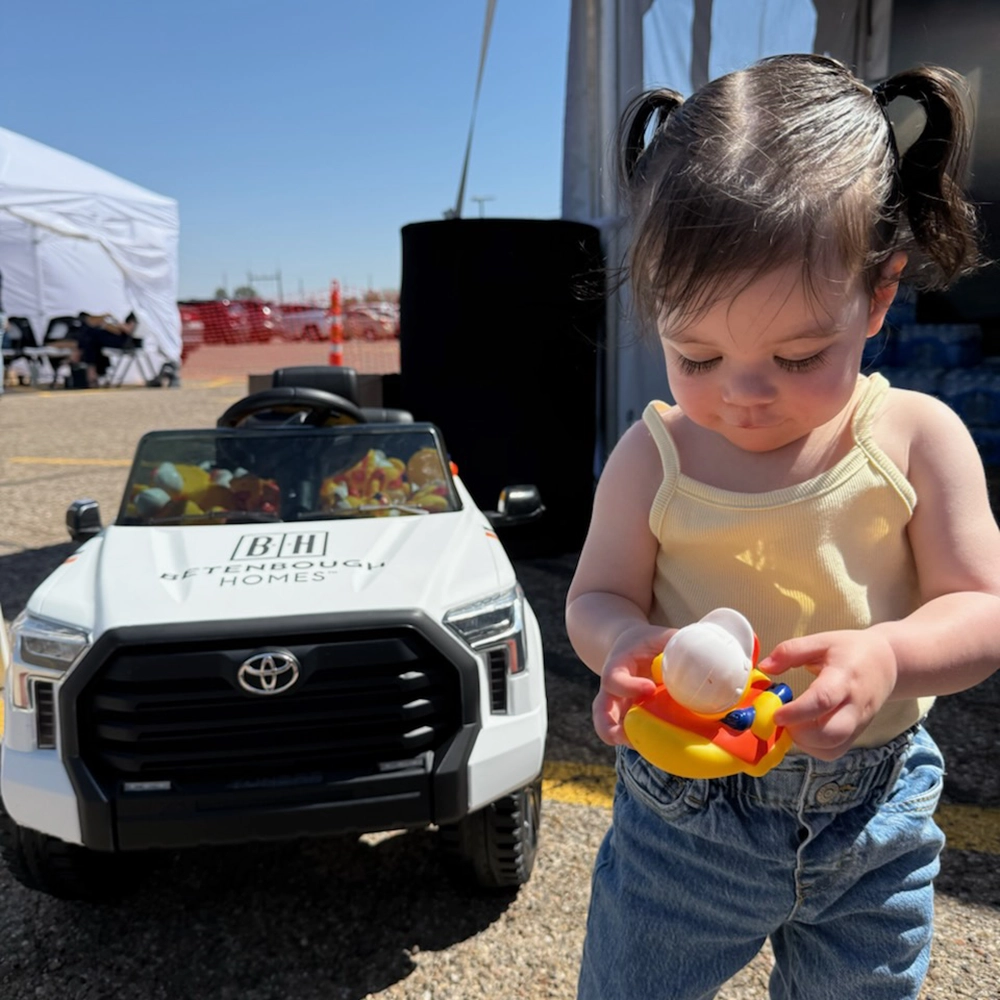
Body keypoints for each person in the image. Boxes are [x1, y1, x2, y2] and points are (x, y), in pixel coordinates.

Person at [565, 54, 1000, 1000]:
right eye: (698, 353)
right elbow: (594, 595)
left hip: (874, 815)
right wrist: (624, 640)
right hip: (685, 817)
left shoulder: (917, 439)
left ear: (879, 295)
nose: (743, 394)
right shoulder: (654, 457)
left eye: (800, 355)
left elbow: (981, 609)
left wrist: (890, 655)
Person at [71, 310, 138, 387]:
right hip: (117, 338)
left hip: (125, 341)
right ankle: (92, 372)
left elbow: (128, 330)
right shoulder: (128, 311)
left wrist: (113, 323)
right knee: (91, 338)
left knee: (91, 335)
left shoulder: (137, 314)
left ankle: (86, 364)